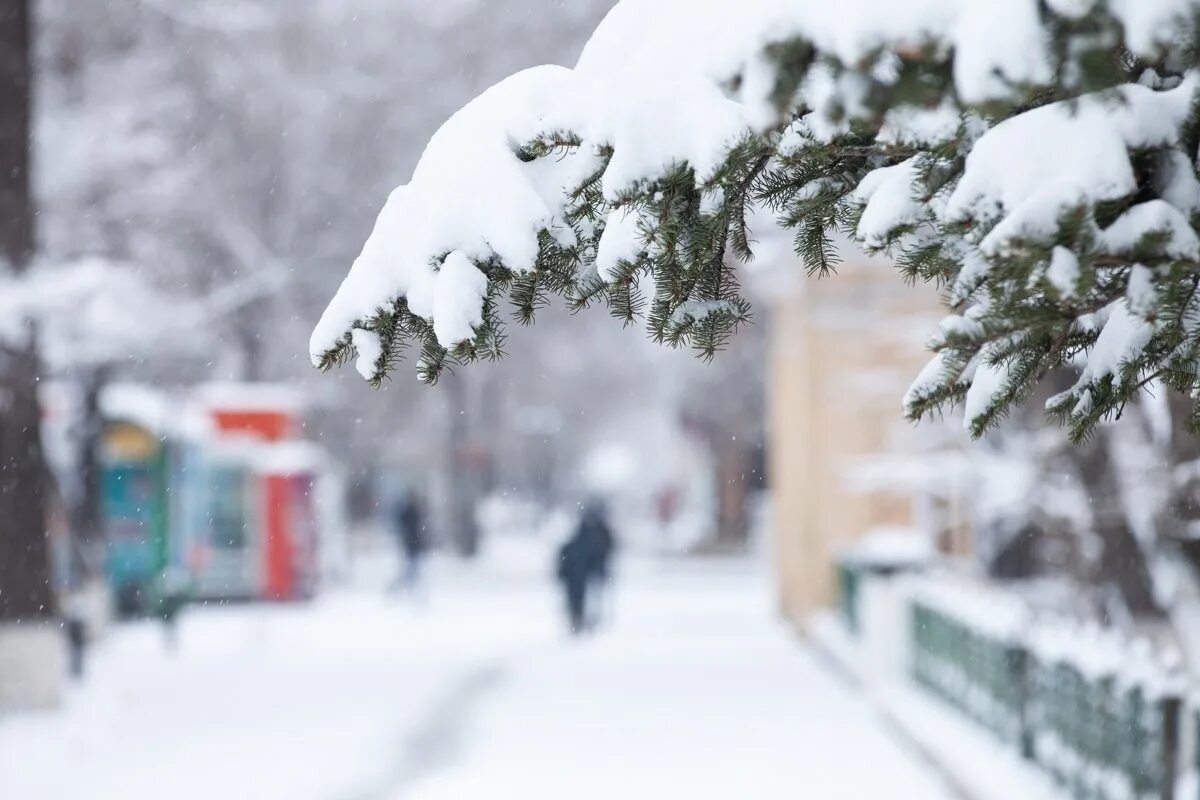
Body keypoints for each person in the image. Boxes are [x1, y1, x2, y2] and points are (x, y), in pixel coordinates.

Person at [556, 500, 615, 634]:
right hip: (581, 575)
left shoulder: (581, 538)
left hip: (578, 576)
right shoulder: (594, 536)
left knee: (579, 600)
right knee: (585, 599)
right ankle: (582, 620)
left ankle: (580, 620)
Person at [392, 490, 429, 593]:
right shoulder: (410, 511)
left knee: (412, 568)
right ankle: (408, 588)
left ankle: (409, 588)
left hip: (412, 543)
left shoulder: (412, 511)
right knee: (410, 568)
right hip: (410, 543)